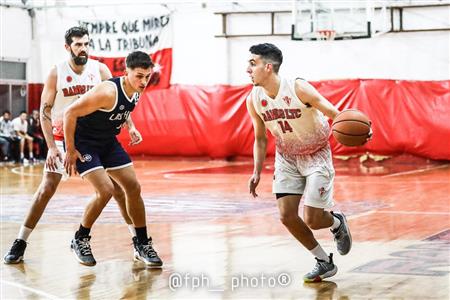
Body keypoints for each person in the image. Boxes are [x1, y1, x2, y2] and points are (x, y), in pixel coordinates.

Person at [3, 27, 135, 264]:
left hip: (93, 138)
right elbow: (45, 112)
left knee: (116, 190)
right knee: (46, 189)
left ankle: (138, 242)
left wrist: (131, 125)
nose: (83, 48)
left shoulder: (100, 69)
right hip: (63, 137)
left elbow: (118, 101)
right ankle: (20, 242)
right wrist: (52, 147)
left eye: (86, 44)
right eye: (77, 44)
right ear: (68, 47)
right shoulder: (57, 73)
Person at [246, 43, 361, 282]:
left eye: (252, 63)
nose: (248, 69)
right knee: (286, 215)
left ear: (268, 67)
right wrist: (256, 171)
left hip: (316, 154)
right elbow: (259, 137)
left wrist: (361, 129)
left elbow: (332, 111)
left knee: (313, 219)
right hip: (287, 157)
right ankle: (323, 261)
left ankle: (336, 222)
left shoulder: (298, 87)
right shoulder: (254, 99)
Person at [63, 50, 162, 268]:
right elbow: (69, 113)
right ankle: (80, 238)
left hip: (107, 141)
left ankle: (142, 243)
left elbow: (124, 109)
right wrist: (70, 150)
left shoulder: (136, 90)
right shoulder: (107, 91)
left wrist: (132, 127)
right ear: (126, 72)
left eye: (147, 76)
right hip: (84, 143)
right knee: (106, 190)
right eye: (139, 76)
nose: (144, 81)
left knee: (133, 187)